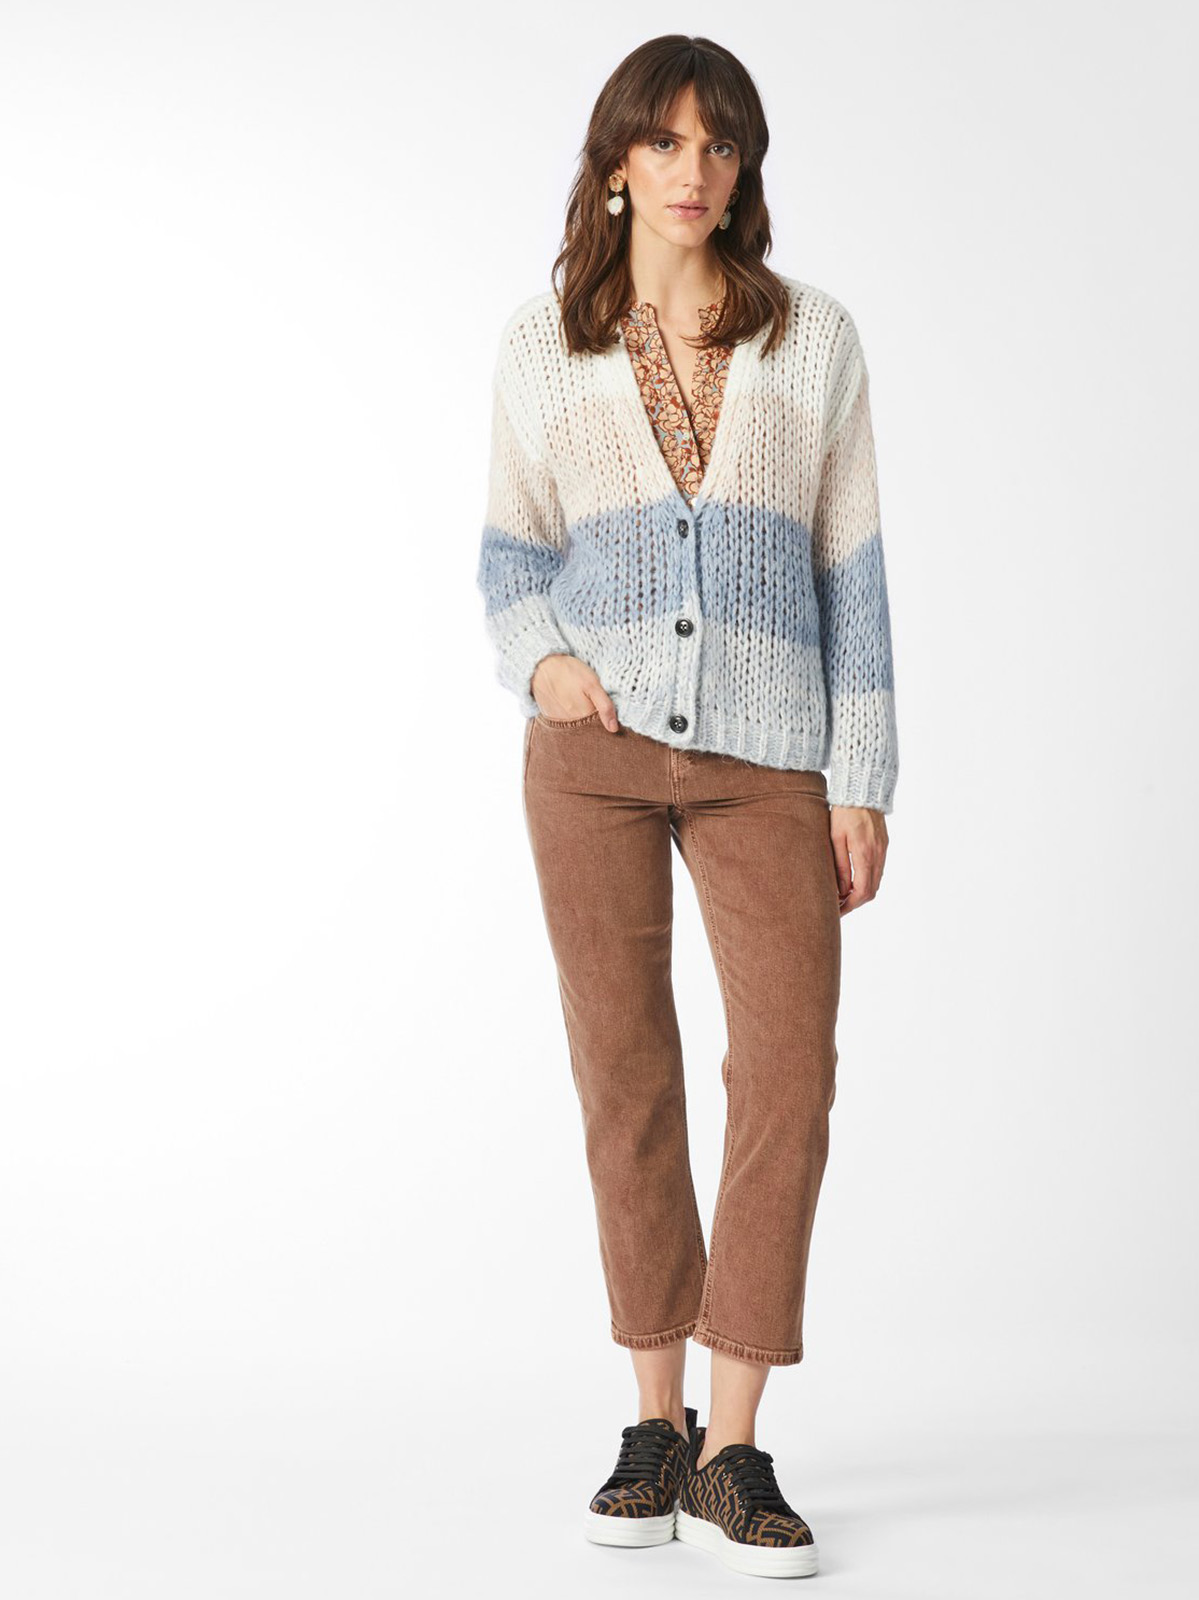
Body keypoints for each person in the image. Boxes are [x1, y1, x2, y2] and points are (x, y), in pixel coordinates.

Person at [475, 34, 898, 1581]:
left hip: (769, 753)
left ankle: (735, 1444)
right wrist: (545, 667)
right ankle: (652, 1424)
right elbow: (511, 556)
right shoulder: (544, 344)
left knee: (787, 1073)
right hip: (589, 761)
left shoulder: (813, 337)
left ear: (745, 167)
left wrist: (862, 776)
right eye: (664, 142)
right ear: (615, 165)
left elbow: (854, 571)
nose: (694, 170)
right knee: (626, 1075)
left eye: (721, 144)